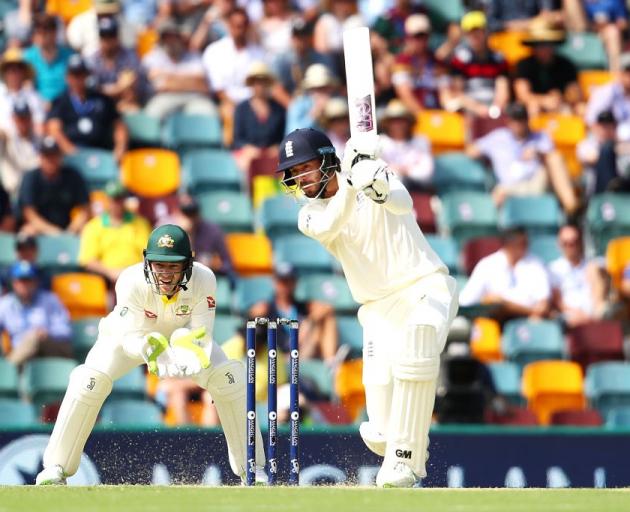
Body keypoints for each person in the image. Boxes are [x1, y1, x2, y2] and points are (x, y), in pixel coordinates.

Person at [275, 128, 458, 487]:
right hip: (377, 309)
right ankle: (404, 447)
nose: (301, 179)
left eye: (306, 168)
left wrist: (376, 183)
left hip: (424, 285)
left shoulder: (372, 170)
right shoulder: (310, 217)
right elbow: (333, 221)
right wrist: (352, 180)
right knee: (380, 430)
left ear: (328, 160)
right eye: (294, 173)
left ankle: (405, 460)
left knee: (417, 343)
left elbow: (403, 203)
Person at [35, 224, 266, 485]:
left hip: (184, 340)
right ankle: (56, 467)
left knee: (229, 377)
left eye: (173, 266)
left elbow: (201, 333)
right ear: (147, 262)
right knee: (88, 380)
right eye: (159, 265)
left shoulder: (205, 279)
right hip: (130, 339)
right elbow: (127, 336)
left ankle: (253, 469)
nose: (165, 274)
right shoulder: (130, 280)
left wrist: (185, 354)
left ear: (188, 264)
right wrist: (148, 349)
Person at [466, 102, 578, 214]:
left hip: (537, 183)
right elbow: (471, 151)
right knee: (498, 195)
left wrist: (538, 153)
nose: (518, 124)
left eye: (521, 120)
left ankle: (571, 210)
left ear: (527, 120)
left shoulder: (541, 137)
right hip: (509, 187)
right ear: (508, 121)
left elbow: (553, 162)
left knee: (555, 158)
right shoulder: (498, 137)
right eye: (514, 120)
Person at [249, 262, 338, 365]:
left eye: (289, 281)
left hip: (301, 353)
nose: (285, 286)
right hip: (278, 358)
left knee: (323, 322)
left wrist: (309, 321)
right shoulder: (266, 308)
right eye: (282, 281)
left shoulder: (302, 307)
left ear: (295, 282)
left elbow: (327, 308)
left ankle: (331, 363)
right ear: (274, 282)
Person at [46, 54, 129, 162]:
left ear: (87, 75)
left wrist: (120, 148)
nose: (77, 79)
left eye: (81, 74)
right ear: (67, 77)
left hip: (101, 153)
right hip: (72, 156)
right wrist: (72, 152)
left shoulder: (103, 100)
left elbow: (119, 126)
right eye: (74, 74)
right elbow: (54, 130)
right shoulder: (60, 101)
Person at [459, 227, 551, 322]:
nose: (522, 246)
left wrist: (506, 306)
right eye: (516, 241)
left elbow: (543, 306)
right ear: (505, 242)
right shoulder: (487, 265)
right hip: (494, 323)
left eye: (523, 242)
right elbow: (466, 301)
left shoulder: (536, 264)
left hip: (529, 322)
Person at [78, 181, 152, 286]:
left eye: (120, 199)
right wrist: (110, 272)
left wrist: (137, 272)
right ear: (107, 200)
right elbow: (88, 260)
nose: (116, 203)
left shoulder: (140, 223)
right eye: (113, 199)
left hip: (137, 277)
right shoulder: (93, 226)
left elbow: (148, 254)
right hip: (107, 279)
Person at [0, 260, 72, 366]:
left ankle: (9, 370)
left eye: (28, 280)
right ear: (14, 283)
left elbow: (66, 330)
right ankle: (11, 370)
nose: (25, 285)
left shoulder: (50, 300)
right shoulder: (6, 303)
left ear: (36, 282)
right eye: (21, 280)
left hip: (50, 349)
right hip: (21, 353)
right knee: (31, 339)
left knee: (34, 336)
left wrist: (48, 332)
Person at [142, 20, 216, 122]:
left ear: (180, 38)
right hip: (165, 98)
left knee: (210, 114)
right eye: (166, 37)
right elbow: (160, 86)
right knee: (152, 115)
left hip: (195, 98)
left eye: (173, 37)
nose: (170, 41)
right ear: (161, 40)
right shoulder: (153, 57)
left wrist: (169, 79)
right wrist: (191, 81)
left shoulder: (194, 56)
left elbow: (203, 85)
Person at [440, 11, 509, 120]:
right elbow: (458, 92)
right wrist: (478, 108)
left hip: (494, 109)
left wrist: (496, 109)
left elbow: (502, 90)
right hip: (470, 108)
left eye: (478, 31)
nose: (475, 36)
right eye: (470, 32)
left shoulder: (498, 58)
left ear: (486, 32)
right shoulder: (460, 59)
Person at [17, 137, 90, 236]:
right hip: (41, 228)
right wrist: (54, 232)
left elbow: (85, 209)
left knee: (88, 230)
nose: (51, 160)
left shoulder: (72, 176)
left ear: (60, 157)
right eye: (47, 156)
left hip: (69, 228)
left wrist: (72, 229)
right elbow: (29, 214)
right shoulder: (31, 178)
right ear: (40, 157)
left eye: (54, 155)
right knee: (27, 232)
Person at [548, 224, 611, 327]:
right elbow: (558, 302)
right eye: (565, 243)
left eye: (574, 242)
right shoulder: (553, 269)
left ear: (581, 242)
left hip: (594, 313)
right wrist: (578, 314)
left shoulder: (592, 265)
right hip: (570, 315)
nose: (570, 246)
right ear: (559, 244)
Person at [514, 20, 581, 116]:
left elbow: (576, 93)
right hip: (536, 108)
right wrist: (544, 100)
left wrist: (561, 98)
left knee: (580, 109)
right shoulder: (524, 65)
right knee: (533, 106)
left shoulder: (566, 64)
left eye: (547, 44)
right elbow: (522, 95)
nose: (544, 49)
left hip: (562, 106)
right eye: (538, 45)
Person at [232, 62, 286, 173]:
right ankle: (247, 190)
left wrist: (276, 148)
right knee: (245, 162)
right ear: (251, 84)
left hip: (271, 154)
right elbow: (237, 139)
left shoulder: (278, 109)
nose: (260, 85)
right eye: (256, 81)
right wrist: (249, 149)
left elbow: (282, 137)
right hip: (248, 153)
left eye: (263, 81)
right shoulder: (241, 108)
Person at [392, 14, 445, 114]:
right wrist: (423, 118)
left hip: (437, 115)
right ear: (408, 38)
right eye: (416, 36)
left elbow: (445, 92)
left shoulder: (437, 62)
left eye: (423, 36)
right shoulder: (401, 63)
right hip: (412, 118)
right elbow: (405, 95)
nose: (421, 41)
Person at [379, 99, 434, 190]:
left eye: (402, 120)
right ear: (387, 124)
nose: (398, 124)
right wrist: (400, 172)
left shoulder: (421, 141)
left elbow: (427, 172)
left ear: (409, 122)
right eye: (393, 121)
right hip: (388, 191)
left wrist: (403, 171)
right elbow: (379, 172)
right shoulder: (380, 142)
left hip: (417, 189)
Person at [22, 14, 74, 104]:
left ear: (54, 33)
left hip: (65, 106)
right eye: (38, 32)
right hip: (37, 107)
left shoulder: (70, 57)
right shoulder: (27, 57)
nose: (41, 36)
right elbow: (25, 87)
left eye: (45, 32)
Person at [0, 100, 40, 200]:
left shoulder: (39, 139)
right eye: (19, 118)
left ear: (30, 118)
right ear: (13, 118)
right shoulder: (7, 137)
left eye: (25, 118)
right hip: (14, 193)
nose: (23, 122)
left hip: (36, 191)